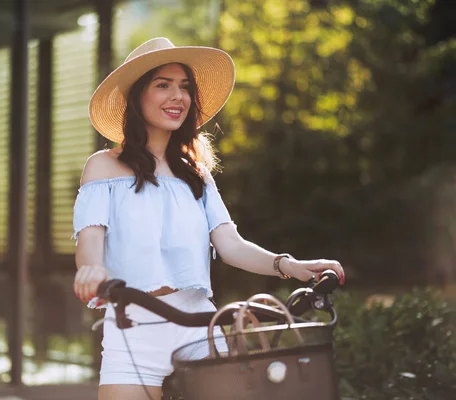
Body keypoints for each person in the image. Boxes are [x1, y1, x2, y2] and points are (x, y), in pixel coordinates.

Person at [72, 37, 345, 400]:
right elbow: (90, 238)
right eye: (163, 85)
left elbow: (230, 243)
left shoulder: (196, 173)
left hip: (199, 325)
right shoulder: (103, 166)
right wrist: (91, 270)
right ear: (136, 96)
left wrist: (290, 266)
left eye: (185, 87)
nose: (178, 97)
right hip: (133, 327)